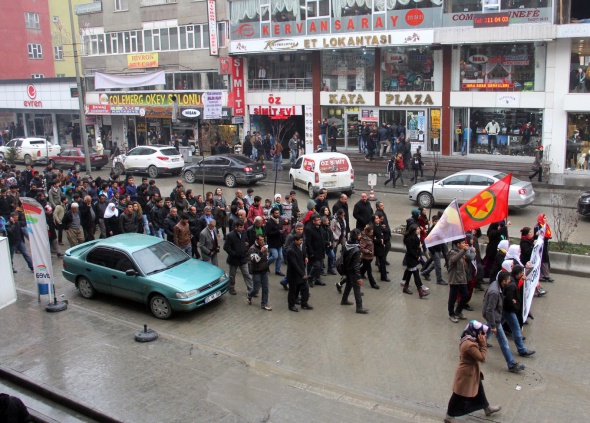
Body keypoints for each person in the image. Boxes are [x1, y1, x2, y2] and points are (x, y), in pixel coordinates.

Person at [444, 321, 501, 423]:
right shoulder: (470, 345)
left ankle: (487, 408)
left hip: (473, 372)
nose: (483, 336)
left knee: (479, 390)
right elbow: (482, 358)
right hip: (466, 374)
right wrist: (483, 344)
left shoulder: (469, 339)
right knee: (458, 394)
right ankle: (449, 416)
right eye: (481, 333)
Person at [482, 270, 527, 373]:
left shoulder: (496, 285)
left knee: (486, 333)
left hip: (496, 315)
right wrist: (493, 325)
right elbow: (490, 310)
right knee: (503, 341)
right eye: (508, 280)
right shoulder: (495, 292)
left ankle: (477, 345)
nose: (509, 281)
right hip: (495, 318)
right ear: (503, 281)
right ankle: (511, 364)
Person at [340, 229, 368, 314]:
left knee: (349, 284)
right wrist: (359, 277)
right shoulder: (356, 249)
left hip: (347, 268)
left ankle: (344, 300)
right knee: (357, 288)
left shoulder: (346, 244)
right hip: (352, 270)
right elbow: (356, 265)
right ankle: (359, 307)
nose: (360, 236)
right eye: (359, 235)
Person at [224, 219, 254, 296]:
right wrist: (234, 254)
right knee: (232, 275)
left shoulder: (244, 233)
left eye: (242, 227)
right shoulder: (230, 235)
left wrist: (246, 249)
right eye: (240, 227)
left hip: (243, 258)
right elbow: (226, 247)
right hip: (233, 260)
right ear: (235, 227)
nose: (242, 229)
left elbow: (247, 242)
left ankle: (251, 289)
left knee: (246, 274)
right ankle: (231, 288)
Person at [401, 224, 429, 298]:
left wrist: (419, 251)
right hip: (411, 259)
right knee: (416, 274)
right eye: (418, 229)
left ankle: (405, 288)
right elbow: (410, 250)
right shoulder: (409, 239)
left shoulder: (415, 237)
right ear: (414, 230)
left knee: (409, 274)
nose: (419, 230)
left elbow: (416, 247)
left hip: (414, 259)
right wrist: (417, 256)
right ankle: (420, 291)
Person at [287, 233, 312, 312]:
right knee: (293, 291)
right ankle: (291, 305)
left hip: (301, 271)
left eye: (302, 240)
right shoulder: (291, 250)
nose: (301, 242)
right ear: (295, 240)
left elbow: (304, 253)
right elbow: (294, 264)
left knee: (305, 288)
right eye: (300, 240)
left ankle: (304, 303)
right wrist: (302, 274)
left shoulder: (301, 246)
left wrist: (305, 257)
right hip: (294, 274)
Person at [448, 238, 471, 323]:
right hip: (455, 279)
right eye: (462, 243)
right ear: (458, 244)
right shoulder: (452, 252)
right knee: (452, 298)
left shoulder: (461, 252)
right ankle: (451, 314)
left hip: (462, 279)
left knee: (466, 295)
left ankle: (458, 311)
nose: (464, 244)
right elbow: (454, 259)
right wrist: (464, 251)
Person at [247, 233, 272, 311]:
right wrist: (260, 252)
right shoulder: (252, 249)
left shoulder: (264, 247)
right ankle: (249, 295)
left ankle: (264, 304)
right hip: (256, 271)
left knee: (265, 288)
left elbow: (266, 258)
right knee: (256, 289)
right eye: (261, 240)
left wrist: (267, 266)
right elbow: (254, 260)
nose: (262, 241)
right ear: (257, 240)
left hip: (264, 270)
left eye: (263, 240)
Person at [305, 213, 326, 287]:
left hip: (320, 250)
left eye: (320, 219)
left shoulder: (319, 227)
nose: (320, 221)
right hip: (314, 251)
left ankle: (317, 279)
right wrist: (311, 252)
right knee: (316, 265)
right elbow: (308, 242)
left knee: (319, 266)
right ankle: (309, 279)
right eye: (318, 220)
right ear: (313, 221)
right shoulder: (309, 229)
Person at [359, 225, 379, 289]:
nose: (372, 233)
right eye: (371, 232)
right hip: (366, 257)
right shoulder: (364, 239)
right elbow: (361, 248)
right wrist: (368, 251)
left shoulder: (369, 236)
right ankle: (373, 284)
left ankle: (360, 274)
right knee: (369, 271)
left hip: (370, 256)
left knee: (364, 267)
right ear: (367, 232)